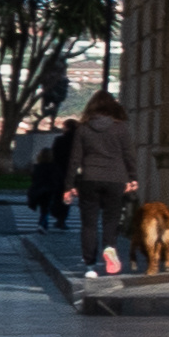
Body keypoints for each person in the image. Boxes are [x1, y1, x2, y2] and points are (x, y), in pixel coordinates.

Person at [64, 89, 141, 284]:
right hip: (116, 179)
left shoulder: (83, 129)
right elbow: (129, 155)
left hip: (90, 178)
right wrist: (132, 178)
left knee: (89, 224)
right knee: (111, 219)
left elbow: (74, 159)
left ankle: (90, 267)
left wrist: (69, 185)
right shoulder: (121, 128)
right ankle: (110, 247)